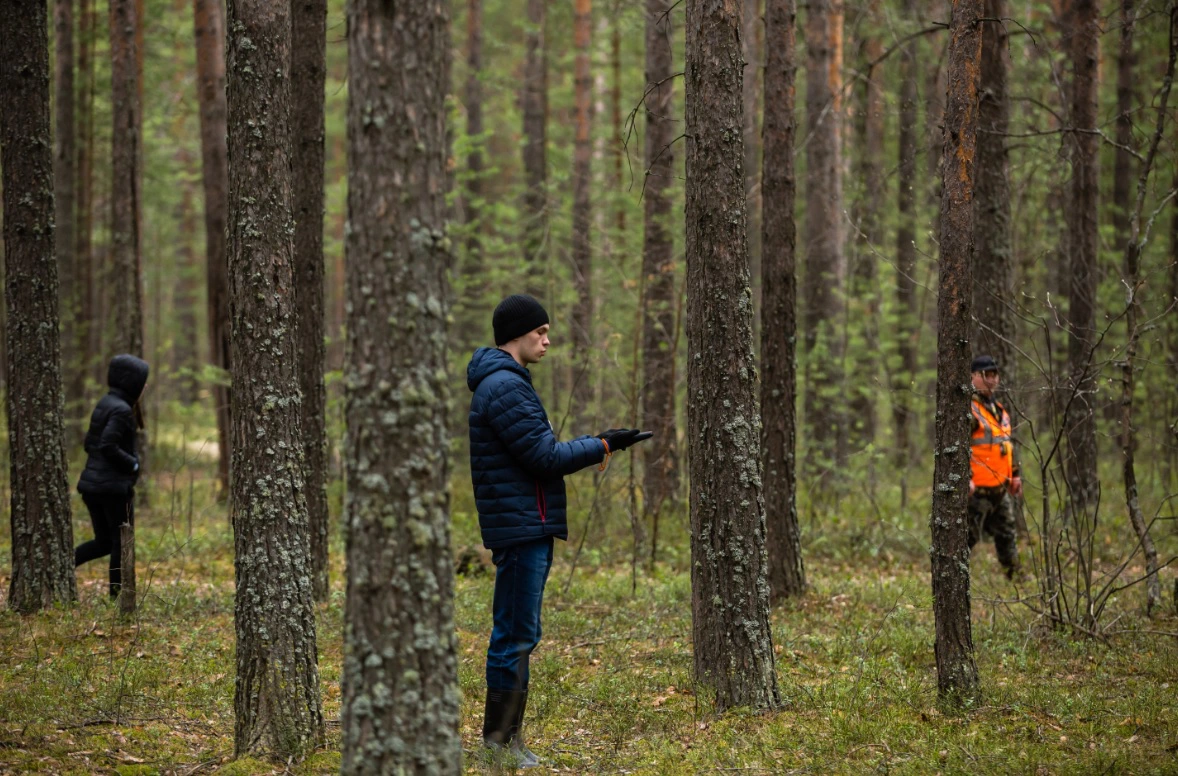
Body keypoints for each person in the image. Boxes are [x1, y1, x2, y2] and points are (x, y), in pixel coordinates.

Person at [467, 294, 650, 767]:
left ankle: (506, 740)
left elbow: (535, 454)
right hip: (522, 527)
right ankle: (499, 744)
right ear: (517, 335)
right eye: (540, 333)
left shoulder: (506, 383)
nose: (547, 341)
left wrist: (602, 443)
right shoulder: (505, 386)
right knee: (514, 634)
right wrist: (605, 443)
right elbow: (544, 458)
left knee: (520, 632)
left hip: (527, 523)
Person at [75, 354, 149, 598]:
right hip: (112, 489)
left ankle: (59, 567)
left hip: (92, 486)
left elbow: (89, 444)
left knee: (104, 542)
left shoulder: (105, 403)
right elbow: (107, 445)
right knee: (120, 542)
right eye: (143, 381)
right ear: (132, 382)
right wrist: (133, 465)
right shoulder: (121, 410)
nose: (145, 386)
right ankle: (119, 599)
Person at [967, 354, 1021, 579]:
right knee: (965, 540)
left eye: (994, 375)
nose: (991, 380)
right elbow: (958, 449)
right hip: (976, 491)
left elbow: (1006, 445)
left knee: (1007, 535)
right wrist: (965, 478)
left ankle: (1015, 577)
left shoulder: (1000, 410)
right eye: (985, 375)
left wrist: (1014, 475)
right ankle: (951, 582)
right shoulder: (968, 410)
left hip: (1000, 487)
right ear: (973, 377)